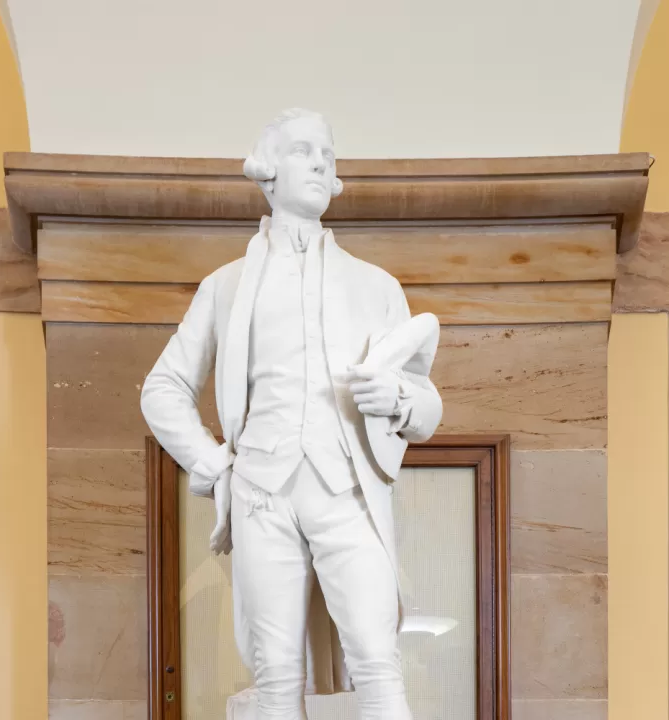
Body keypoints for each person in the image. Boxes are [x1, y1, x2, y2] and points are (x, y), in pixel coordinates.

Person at [141, 108, 442, 719]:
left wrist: (401, 401)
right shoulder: (225, 286)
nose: (320, 163)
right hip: (262, 495)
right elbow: (162, 387)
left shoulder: (376, 286)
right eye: (303, 151)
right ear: (268, 169)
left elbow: (427, 402)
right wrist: (216, 463)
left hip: (348, 491)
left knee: (379, 663)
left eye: (328, 156)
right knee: (275, 677)